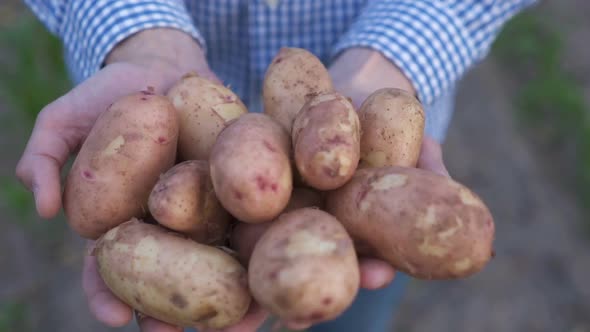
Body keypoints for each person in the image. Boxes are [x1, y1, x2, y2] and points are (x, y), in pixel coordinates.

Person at [17, 1, 537, 331]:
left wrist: (392, 58)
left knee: (356, 302)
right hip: (177, 98)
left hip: (370, 100)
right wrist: (141, 36)